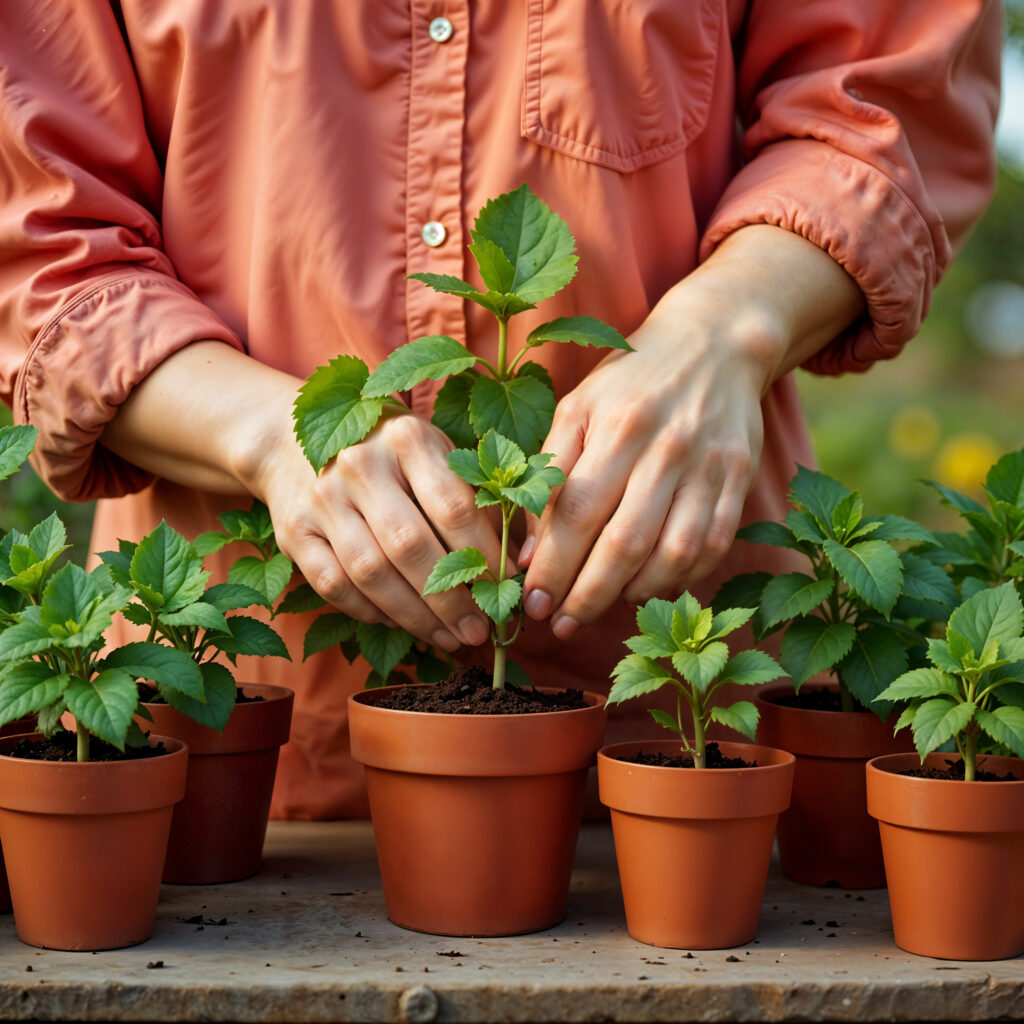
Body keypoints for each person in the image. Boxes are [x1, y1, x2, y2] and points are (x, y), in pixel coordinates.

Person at [0, 1, 1000, 818]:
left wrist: (726, 329)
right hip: (230, 753)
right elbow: (41, 238)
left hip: (684, 730)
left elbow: (886, 102)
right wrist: (264, 435)